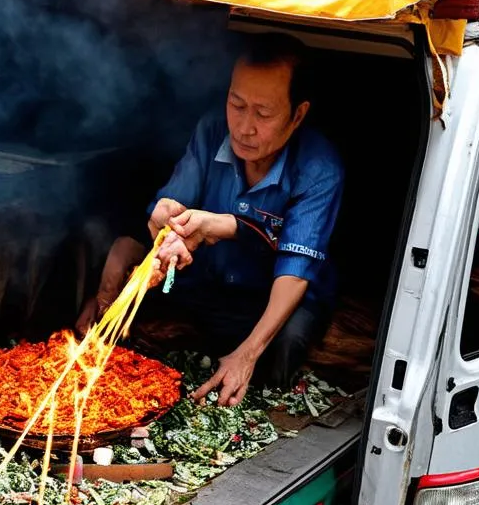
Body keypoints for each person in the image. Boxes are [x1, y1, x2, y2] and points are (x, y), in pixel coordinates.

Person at [79, 34, 344, 407]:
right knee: (138, 334)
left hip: (276, 296)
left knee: (283, 354)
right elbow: (170, 208)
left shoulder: (319, 168)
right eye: (236, 104)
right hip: (207, 283)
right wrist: (160, 225)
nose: (244, 127)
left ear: (297, 114)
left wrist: (247, 355)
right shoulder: (210, 130)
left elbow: (295, 269)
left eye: (263, 114)